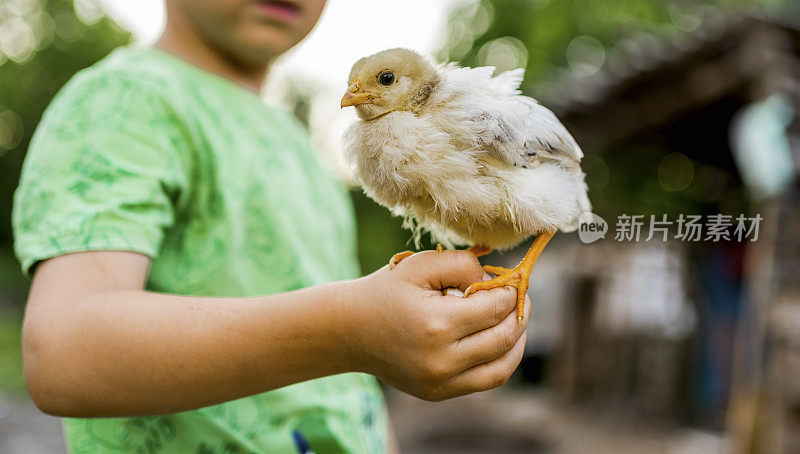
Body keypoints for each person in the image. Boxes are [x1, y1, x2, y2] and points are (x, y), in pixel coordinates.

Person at [12, 0, 529, 452]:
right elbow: (61, 352)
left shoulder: (297, 143)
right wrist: (348, 332)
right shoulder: (122, 101)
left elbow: (349, 394)